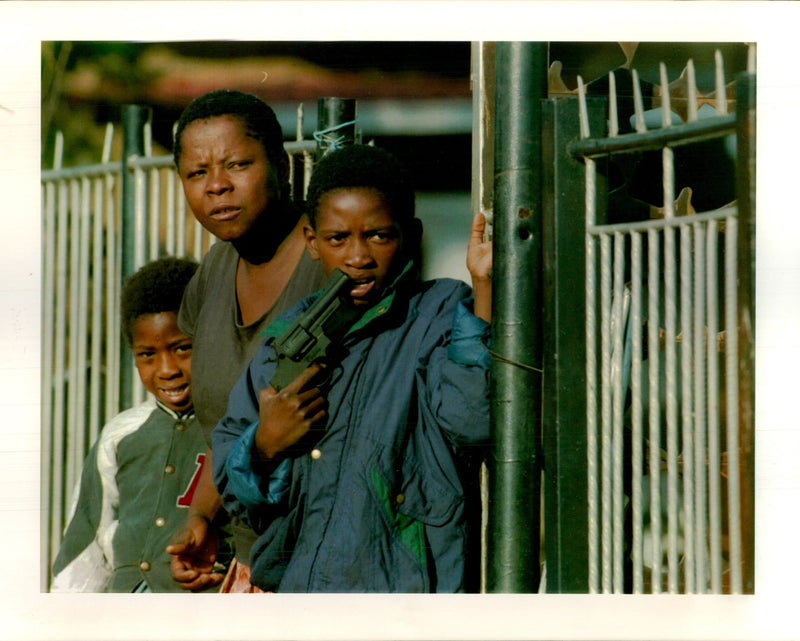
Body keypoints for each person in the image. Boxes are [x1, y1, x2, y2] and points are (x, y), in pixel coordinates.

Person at [211, 144, 493, 592]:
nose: (357, 257)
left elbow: (473, 425)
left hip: (402, 600)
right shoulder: (286, 338)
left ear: (411, 235)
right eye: (337, 238)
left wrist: (485, 289)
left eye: (379, 235)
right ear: (311, 242)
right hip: (301, 596)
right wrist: (264, 445)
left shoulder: (440, 312)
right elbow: (236, 488)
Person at [166, 89, 327, 592]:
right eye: (197, 173)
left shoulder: (330, 262)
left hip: (322, 559)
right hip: (249, 562)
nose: (217, 186)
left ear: (280, 166)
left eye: (237, 164)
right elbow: (224, 427)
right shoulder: (214, 271)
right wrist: (203, 518)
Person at [51, 257, 208, 592]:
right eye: (147, 354)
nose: (166, 370)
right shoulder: (121, 434)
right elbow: (86, 542)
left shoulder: (231, 427)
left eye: (182, 348)